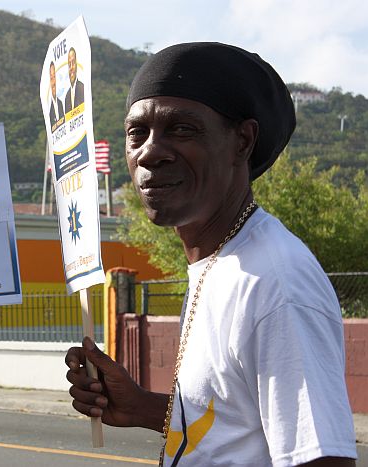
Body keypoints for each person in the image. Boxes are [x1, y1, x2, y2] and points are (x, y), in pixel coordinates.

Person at [65, 42, 357, 466]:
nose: (150, 151)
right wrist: (142, 407)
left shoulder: (274, 282)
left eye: (181, 129)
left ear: (242, 140)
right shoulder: (221, 263)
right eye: (137, 133)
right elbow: (234, 424)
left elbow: (321, 460)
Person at [63, 47, 84, 113]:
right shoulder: (67, 95)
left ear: (77, 65)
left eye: (73, 63)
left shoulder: (82, 88)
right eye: (69, 64)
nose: (71, 67)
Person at [48, 61, 65, 130]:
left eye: (54, 77)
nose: (53, 82)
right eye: (51, 78)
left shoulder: (61, 103)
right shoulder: (49, 110)